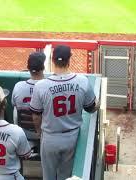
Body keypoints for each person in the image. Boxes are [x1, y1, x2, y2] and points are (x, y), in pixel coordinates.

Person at [29, 45, 100, 180]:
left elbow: (36, 115)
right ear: (69, 61)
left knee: (48, 176)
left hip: (49, 138)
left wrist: (39, 133)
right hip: (71, 138)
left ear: (53, 60)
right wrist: (99, 104)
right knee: (65, 176)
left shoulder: (41, 86)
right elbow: (91, 108)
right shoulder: (82, 81)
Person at [12, 52, 45, 140]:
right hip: (44, 134)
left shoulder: (18, 86)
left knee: (16, 107)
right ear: (43, 68)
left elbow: (13, 104)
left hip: (24, 133)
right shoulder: (48, 87)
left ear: (28, 68)